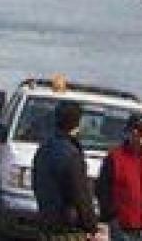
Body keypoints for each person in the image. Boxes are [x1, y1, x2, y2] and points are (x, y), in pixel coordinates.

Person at [96, 113, 142, 241]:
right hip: (123, 230)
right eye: (141, 132)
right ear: (130, 133)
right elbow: (102, 190)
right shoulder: (114, 158)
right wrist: (111, 217)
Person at [32, 101, 98, 240]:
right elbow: (80, 194)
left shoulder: (43, 149)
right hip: (68, 227)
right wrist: (92, 226)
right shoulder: (72, 155)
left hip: (46, 220)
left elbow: (36, 183)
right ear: (78, 123)